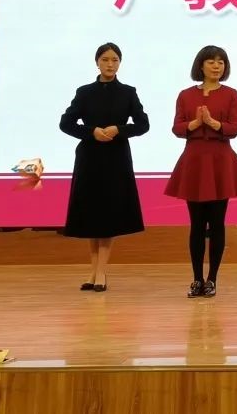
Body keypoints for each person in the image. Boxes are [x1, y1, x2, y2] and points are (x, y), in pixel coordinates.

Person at [59, 42, 150, 292]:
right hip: (89, 157)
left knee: (108, 214)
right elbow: (66, 123)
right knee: (92, 214)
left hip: (116, 158)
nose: (110, 64)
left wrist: (119, 129)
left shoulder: (128, 92)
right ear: (97, 62)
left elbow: (143, 125)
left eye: (115, 60)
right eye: (105, 59)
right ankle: (94, 271)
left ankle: (101, 272)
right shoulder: (84, 92)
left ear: (120, 63)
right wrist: (92, 132)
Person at [165, 45, 237, 299]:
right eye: (211, 61)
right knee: (196, 224)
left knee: (217, 222)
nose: (216, 66)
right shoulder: (185, 95)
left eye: (221, 62)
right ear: (200, 65)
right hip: (194, 159)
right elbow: (177, 127)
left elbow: (234, 128)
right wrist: (195, 123)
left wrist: (213, 123)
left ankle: (212, 278)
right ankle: (197, 279)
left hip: (220, 159)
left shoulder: (231, 94)